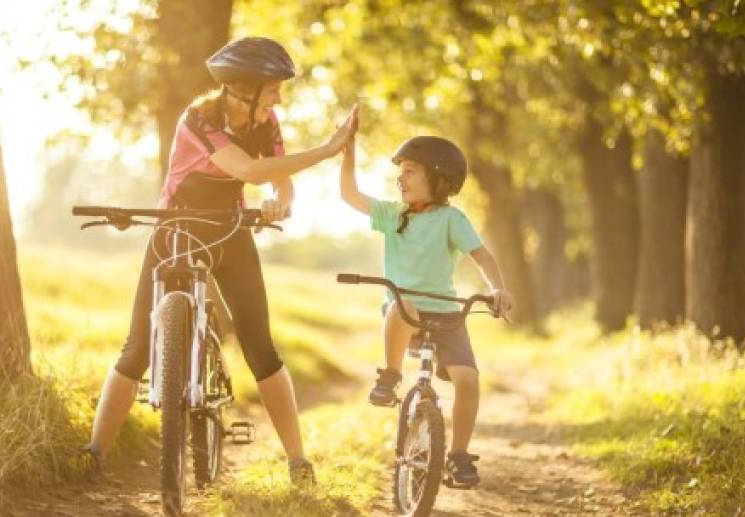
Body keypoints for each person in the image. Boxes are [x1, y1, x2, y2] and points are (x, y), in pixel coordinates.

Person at [86, 37, 357, 485]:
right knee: (137, 348)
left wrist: (279, 201)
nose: (278, 98)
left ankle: (297, 460)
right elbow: (248, 171)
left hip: (230, 233)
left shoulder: (266, 122)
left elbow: (277, 177)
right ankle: (94, 454)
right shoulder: (200, 118)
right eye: (272, 89)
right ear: (243, 89)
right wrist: (327, 151)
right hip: (176, 229)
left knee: (260, 348)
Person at [338, 116, 513, 486]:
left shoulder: (451, 218)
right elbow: (349, 196)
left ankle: (459, 456)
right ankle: (390, 375)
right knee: (406, 305)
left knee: (468, 379)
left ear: (437, 178)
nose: (400, 178)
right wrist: (348, 151)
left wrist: (498, 288)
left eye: (410, 171)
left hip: (446, 313)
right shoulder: (392, 214)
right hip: (404, 314)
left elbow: (481, 256)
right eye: (400, 171)